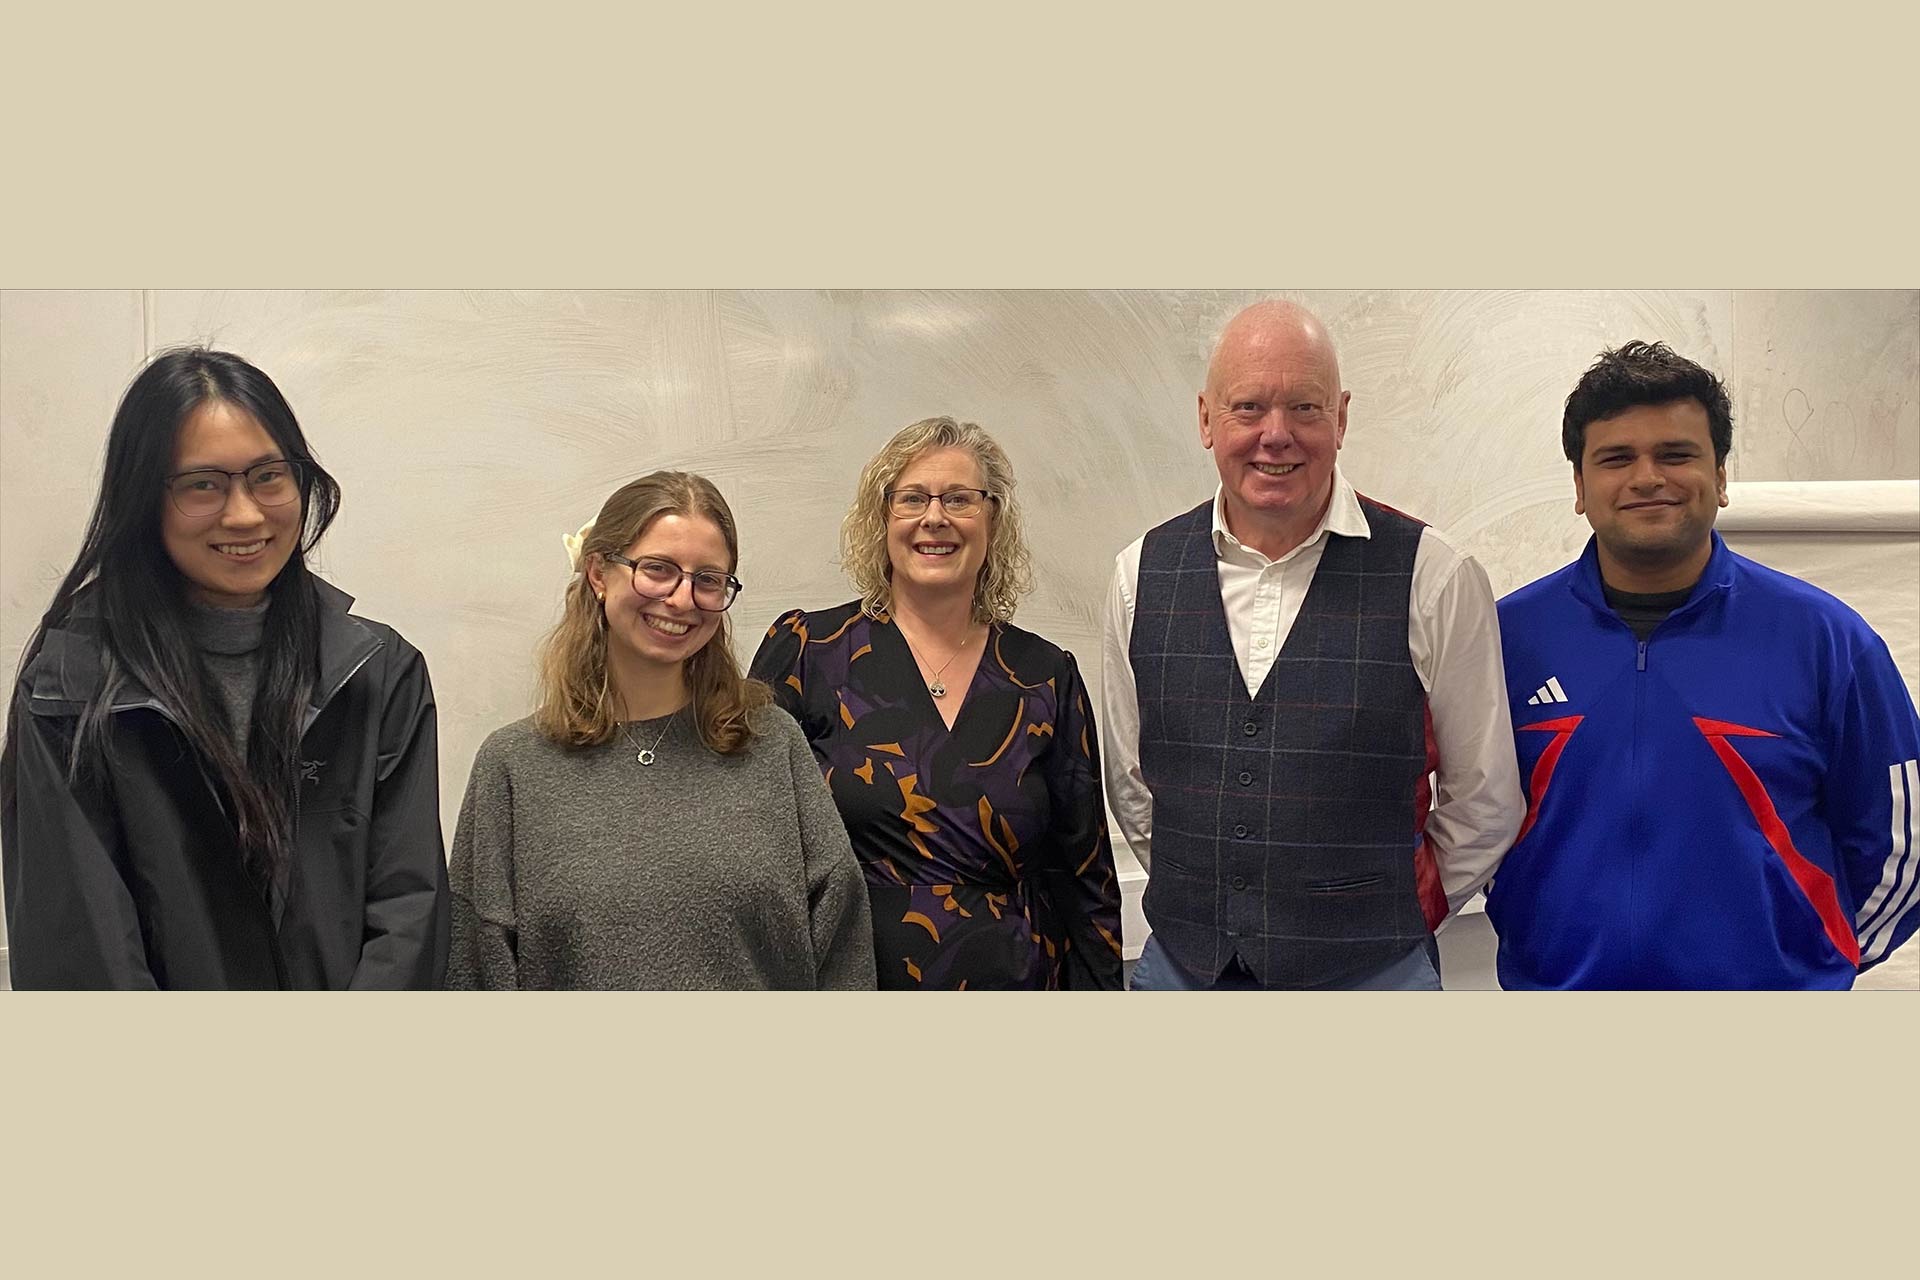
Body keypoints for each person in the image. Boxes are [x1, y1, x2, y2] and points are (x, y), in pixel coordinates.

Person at [1102, 300, 1524, 990]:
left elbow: (1485, 799)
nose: (1277, 435)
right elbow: (1132, 782)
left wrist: (1390, 913)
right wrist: (1218, 904)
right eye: (1248, 408)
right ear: (1206, 418)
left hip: (1375, 973)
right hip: (1185, 971)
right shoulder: (1137, 575)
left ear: (1342, 417)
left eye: (1305, 407)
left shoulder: (1434, 575)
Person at [1, 348, 449, 988]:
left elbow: (409, 911)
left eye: (268, 475)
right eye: (203, 484)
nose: (244, 514)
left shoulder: (381, 674)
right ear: (143, 498)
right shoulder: (68, 686)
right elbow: (78, 944)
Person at [1490, 341, 1920, 989]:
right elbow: (1467, 815)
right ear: (1580, 487)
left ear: (1720, 478)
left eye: (1676, 454)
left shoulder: (1827, 640)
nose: (1647, 477)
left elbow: (1901, 843)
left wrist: (1812, 958)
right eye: (1615, 458)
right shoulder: (1505, 639)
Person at [448, 470, 876, 990]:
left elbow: (842, 949)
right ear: (599, 572)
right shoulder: (514, 764)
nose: (681, 599)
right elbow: (475, 967)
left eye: (708, 579)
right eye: (658, 569)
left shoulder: (771, 744)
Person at [750, 418, 1124, 990]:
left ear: (993, 519)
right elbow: (757, 848)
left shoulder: (1045, 675)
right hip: (852, 987)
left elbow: (1084, 875)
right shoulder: (806, 652)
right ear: (882, 519)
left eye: (959, 499)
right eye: (913, 499)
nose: (935, 518)